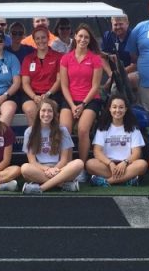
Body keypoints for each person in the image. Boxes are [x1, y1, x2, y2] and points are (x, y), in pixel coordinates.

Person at [59, 23, 103, 174]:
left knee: (83, 130)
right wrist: (72, 106)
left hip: (90, 100)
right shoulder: (66, 58)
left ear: (90, 40)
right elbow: (64, 86)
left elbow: (96, 86)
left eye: (86, 37)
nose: (83, 39)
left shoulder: (95, 59)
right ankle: (68, 166)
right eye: (81, 36)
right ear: (75, 37)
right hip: (70, 100)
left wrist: (83, 105)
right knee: (64, 129)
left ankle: (81, 168)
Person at [20, 98, 85, 194]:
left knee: (79, 163)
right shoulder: (30, 132)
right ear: (38, 112)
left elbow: (64, 160)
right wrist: (47, 169)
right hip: (40, 169)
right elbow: (32, 162)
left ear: (54, 114)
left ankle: (41, 188)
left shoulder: (62, 130)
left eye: (50, 111)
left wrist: (54, 169)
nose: (46, 114)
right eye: (43, 110)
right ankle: (63, 185)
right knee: (25, 168)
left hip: (60, 169)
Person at [87, 95, 148, 186]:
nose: (117, 110)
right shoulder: (102, 128)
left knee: (142, 164)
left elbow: (137, 153)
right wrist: (110, 163)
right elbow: (97, 151)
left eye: (121, 107)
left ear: (126, 109)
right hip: (108, 165)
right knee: (90, 164)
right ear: (109, 109)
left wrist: (124, 163)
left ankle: (107, 181)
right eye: (114, 107)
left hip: (127, 165)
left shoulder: (133, 128)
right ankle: (126, 180)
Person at [21, 26, 63, 128]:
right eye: (38, 38)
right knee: (31, 110)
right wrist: (34, 97)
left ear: (48, 38)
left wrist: (48, 94)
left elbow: (59, 80)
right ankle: (36, 140)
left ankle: (50, 140)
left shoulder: (58, 57)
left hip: (52, 94)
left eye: (43, 37)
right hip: (32, 95)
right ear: (34, 40)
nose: (41, 41)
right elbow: (25, 83)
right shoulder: (28, 58)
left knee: (47, 111)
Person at [101, 15, 137, 90]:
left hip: (133, 71)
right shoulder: (108, 35)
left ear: (127, 23)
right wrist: (111, 74)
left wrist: (117, 75)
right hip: (114, 72)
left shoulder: (134, 36)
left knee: (119, 84)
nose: (118, 27)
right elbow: (102, 57)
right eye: (115, 25)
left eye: (120, 24)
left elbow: (135, 64)